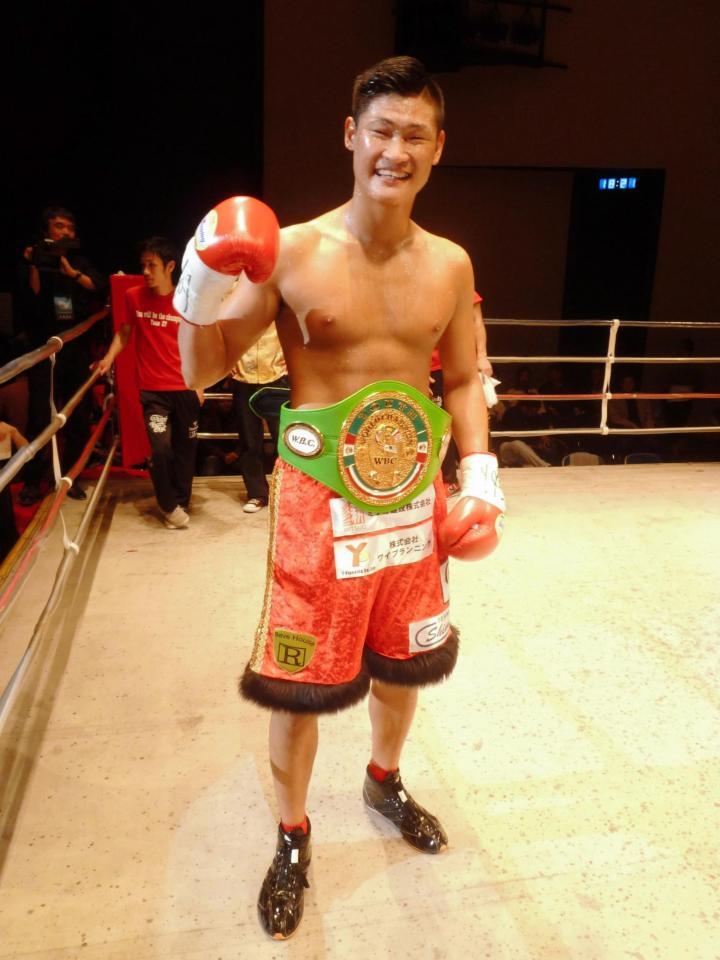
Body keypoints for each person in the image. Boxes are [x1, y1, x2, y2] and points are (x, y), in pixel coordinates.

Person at [175, 57, 505, 940]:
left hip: (412, 501)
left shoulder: (451, 264)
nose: (397, 150)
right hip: (317, 506)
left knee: (405, 663)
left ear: (438, 148)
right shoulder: (293, 251)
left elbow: (463, 377)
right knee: (298, 685)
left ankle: (384, 781)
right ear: (351, 135)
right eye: (382, 130)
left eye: (415, 135)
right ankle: (292, 836)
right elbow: (201, 371)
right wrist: (198, 287)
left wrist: (480, 475)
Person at [96, 237, 199, 529]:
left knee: (185, 451)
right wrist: (107, 358)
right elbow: (124, 333)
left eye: (152, 265)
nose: (145, 271)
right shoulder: (133, 296)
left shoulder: (187, 299)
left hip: (186, 387)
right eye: (143, 265)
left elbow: (198, 343)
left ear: (170, 266)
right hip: (153, 390)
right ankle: (168, 505)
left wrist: (201, 384)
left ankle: (180, 502)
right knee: (160, 448)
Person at [18, 206, 107, 503]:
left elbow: (99, 287)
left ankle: (71, 477)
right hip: (43, 348)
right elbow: (30, 295)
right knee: (39, 417)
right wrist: (33, 264)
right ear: (47, 230)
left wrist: (72, 272)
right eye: (59, 226)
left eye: (70, 227)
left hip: (76, 349)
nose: (66, 232)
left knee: (78, 416)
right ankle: (33, 481)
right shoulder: (33, 258)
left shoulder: (79, 261)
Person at [230, 322, 288, 512]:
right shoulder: (237, 308)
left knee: (284, 439)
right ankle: (257, 494)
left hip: (277, 375)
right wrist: (227, 363)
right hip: (243, 377)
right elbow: (223, 334)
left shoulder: (280, 307)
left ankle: (288, 493)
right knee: (249, 440)